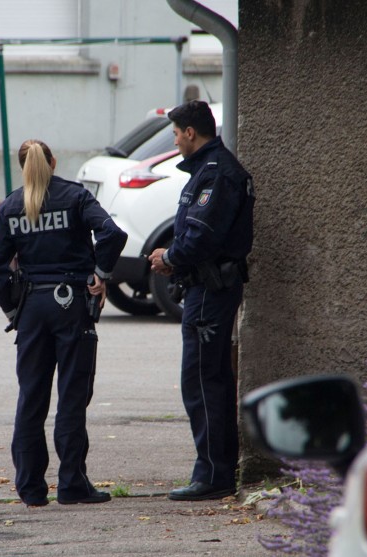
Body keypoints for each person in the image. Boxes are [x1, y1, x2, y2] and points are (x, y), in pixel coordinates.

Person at [0, 139, 128, 508]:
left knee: (31, 397)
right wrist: (100, 273)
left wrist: (14, 312)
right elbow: (112, 233)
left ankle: (31, 489)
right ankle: (72, 484)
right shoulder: (75, 197)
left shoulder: (11, 205)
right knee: (72, 395)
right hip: (71, 305)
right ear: (53, 161)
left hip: (32, 309)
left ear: (23, 167)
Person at [148, 101, 254, 501]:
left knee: (202, 380)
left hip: (210, 290)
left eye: (176, 134)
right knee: (210, 378)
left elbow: (202, 236)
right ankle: (215, 470)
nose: (174, 141)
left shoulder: (216, 173)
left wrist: (170, 258)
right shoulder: (210, 170)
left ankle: (213, 474)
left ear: (191, 132)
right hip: (204, 288)